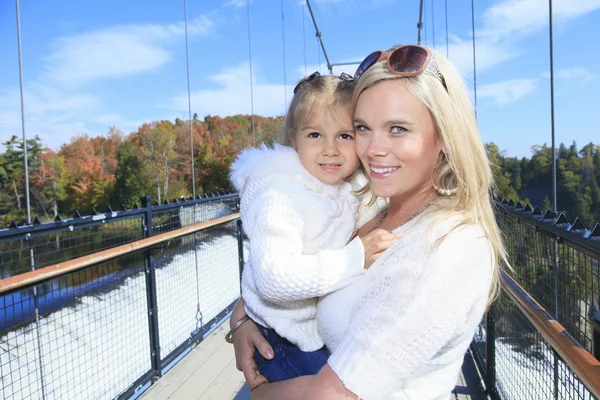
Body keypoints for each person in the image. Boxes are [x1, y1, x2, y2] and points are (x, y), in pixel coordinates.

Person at [228, 44, 507, 400]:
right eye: (361, 128)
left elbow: (333, 395)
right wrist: (242, 319)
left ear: (445, 137)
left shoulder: (449, 246)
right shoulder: (367, 203)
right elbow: (280, 271)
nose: (372, 149)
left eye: (397, 129)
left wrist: (258, 392)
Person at [228, 72, 396, 382]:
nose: (330, 149)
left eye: (344, 136)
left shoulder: (344, 187)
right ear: (293, 140)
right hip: (280, 339)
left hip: (312, 334)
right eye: (315, 135)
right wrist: (354, 259)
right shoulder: (280, 196)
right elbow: (273, 280)